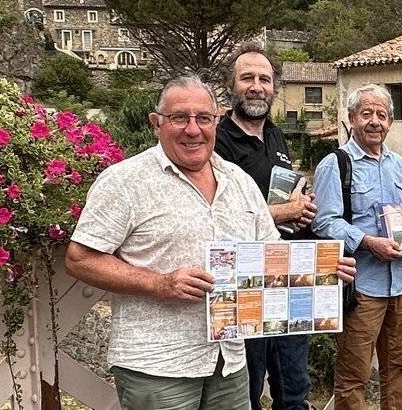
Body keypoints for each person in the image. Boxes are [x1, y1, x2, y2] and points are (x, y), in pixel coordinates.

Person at [65, 77, 356, 410]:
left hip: (229, 361)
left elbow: (269, 256)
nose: (193, 129)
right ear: (155, 122)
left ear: (216, 121)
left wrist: (320, 270)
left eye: (203, 118)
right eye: (179, 118)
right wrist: (159, 283)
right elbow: (80, 259)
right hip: (158, 367)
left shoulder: (239, 181)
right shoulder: (124, 181)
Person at [214, 43, 319, 410]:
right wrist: (287, 212)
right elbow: (220, 216)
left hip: (287, 280)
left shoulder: (275, 135)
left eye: (264, 79)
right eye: (248, 78)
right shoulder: (217, 142)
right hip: (243, 284)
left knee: (294, 387)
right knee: (248, 387)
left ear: (274, 87)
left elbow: (279, 196)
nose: (256, 86)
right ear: (232, 86)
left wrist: (302, 206)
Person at [313, 83, 402, 410]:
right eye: (366, 114)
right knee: (354, 376)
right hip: (361, 287)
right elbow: (324, 221)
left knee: (400, 369)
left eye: (381, 115)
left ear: (390, 121)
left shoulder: (400, 166)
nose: (374, 121)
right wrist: (366, 242)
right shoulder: (335, 164)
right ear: (351, 119)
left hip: (400, 284)